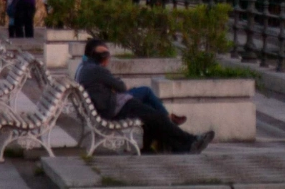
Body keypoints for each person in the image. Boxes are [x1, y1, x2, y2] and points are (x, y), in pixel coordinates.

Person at [78, 39, 210, 154]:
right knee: (156, 116)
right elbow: (121, 86)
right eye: (105, 54)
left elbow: (115, 86)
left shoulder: (85, 67)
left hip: (111, 105)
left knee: (150, 113)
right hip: (115, 107)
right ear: (99, 56)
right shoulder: (96, 70)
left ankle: (170, 146)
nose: (107, 57)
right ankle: (190, 141)